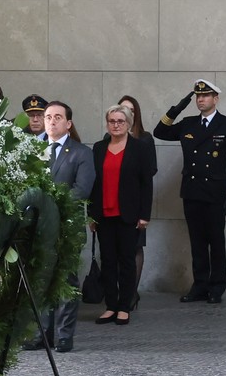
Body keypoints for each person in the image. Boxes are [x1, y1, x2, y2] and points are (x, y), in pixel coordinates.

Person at [153, 79, 226, 304]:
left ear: (216, 99)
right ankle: (200, 285)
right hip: (192, 191)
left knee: (216, 240)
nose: (201, 99)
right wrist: (179, 106)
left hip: (215, 192)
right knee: (197, 241)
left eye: (206, 95)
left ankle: (217, 286)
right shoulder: (188, 123)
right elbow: (160, 131)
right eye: (197, 96)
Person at [24, 102, 95, 352]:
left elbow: (81, 190)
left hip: (67, 227)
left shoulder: (81, 153)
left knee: (67, 282)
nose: (51, 121)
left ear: (68, 123)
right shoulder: (33, 151)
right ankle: (41, 333)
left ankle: (64, 335)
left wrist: (50, 206)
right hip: (39, 228)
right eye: (48, 117)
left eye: (57, 117)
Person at [88, 104, 154, 324]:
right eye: (112, 121)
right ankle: (111, 305)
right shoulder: (98, 148)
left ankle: (125, 306)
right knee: (108, 261)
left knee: (126, 260)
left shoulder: (139, 148)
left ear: (128, 124)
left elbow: (146, 184)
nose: (115, 125)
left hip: (129, 214)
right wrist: (91, 215)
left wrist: (145, 215)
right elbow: (92, 183)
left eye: (120, 121)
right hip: (103, 214)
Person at [117, 94, 157, 307]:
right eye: (122, 108)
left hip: (135, 202)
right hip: (114, 203)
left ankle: (132, 293)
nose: (126, 113)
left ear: (136, 114)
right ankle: (119, 292)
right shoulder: (110, 138)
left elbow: (151, 170)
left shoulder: (144, 139)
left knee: (135, 248)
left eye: (131, 110)